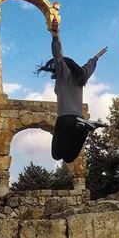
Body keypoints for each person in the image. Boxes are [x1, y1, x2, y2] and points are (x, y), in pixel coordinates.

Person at [35, 17, 107, 163]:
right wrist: (96, 57)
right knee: (68, 159)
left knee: (56, 155)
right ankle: (84, 127)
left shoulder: (63, 73)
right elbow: (89, 65)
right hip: (77, 118)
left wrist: (56, 35)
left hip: (65, 119)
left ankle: (84, 128)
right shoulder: (82, 76)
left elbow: (58, 56)